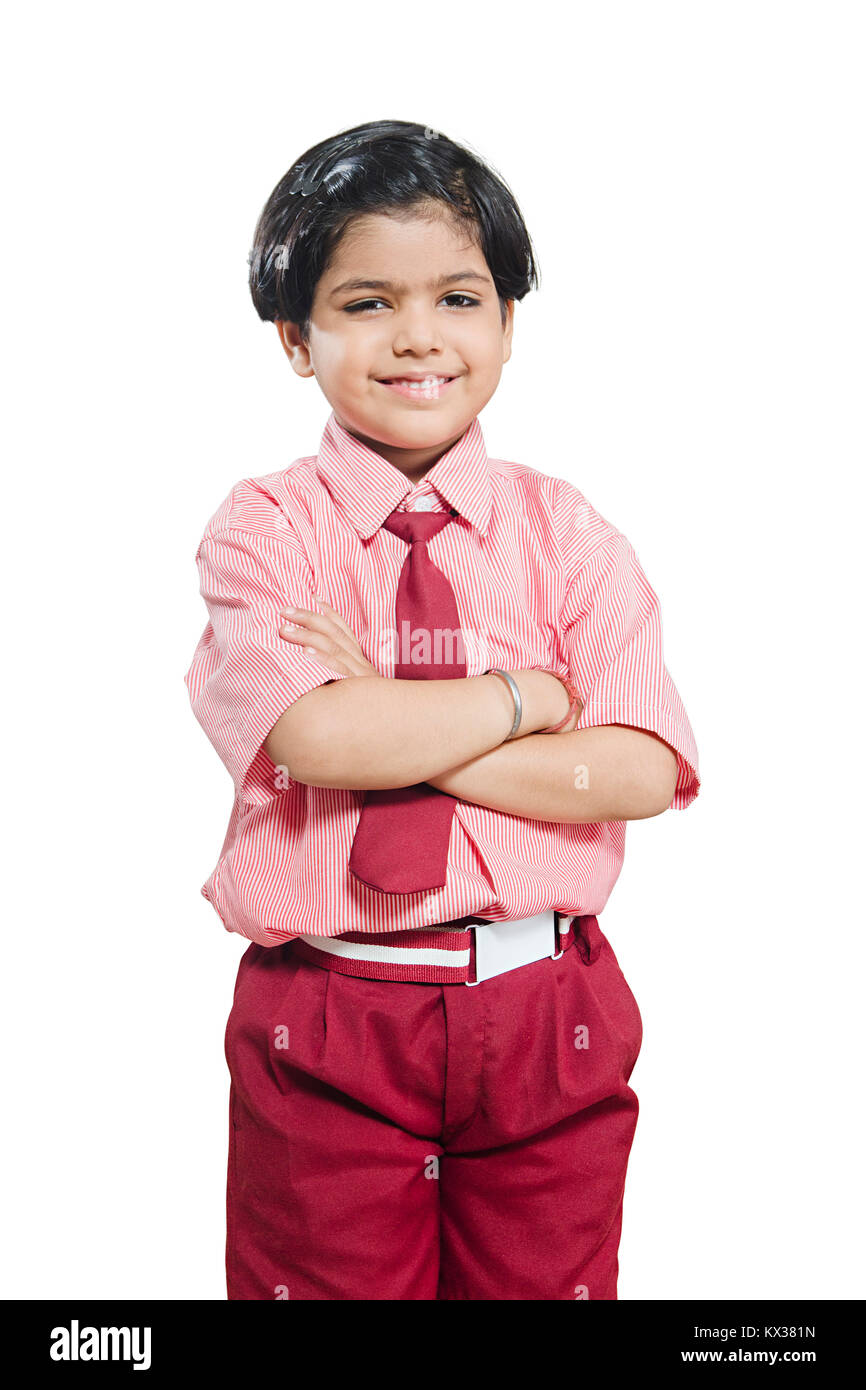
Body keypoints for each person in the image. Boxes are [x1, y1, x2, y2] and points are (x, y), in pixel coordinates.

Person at [184, 119, 701, 1301]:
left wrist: (393, 715)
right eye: (365, 302)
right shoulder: (266, 528)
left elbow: (635, 770)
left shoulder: (564, 532)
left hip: (542, 1012)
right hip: (327, 1010)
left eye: (458, 299)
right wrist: (527, 703)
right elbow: (314, 738)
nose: (418, 336)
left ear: (507, 324)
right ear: (294, 338)